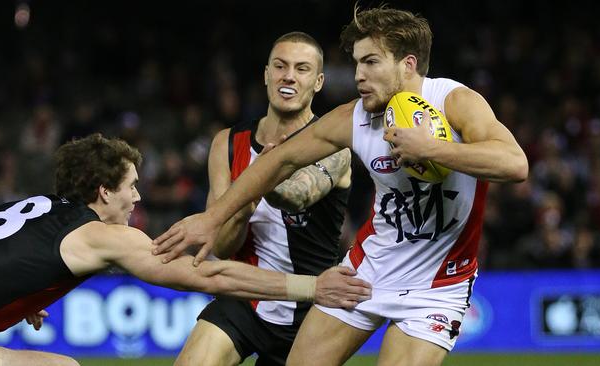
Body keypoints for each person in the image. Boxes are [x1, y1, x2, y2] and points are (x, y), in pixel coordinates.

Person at [153, 6, 529, 366]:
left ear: (407, 64)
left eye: (370, 62)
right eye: (356, 63)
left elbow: (515, 163)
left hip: (437, 287)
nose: (357, 76)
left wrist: (431, 148)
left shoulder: (453, 101)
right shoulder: (356, 117)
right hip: (367, 271)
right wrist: (212, 218)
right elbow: (279, 160)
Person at [0, 133, 370, 366]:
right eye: (130, 186)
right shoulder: (101, 236)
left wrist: (20, 295)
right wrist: (313, 288)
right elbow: (210, 273)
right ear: (103, 192)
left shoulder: (36, 206)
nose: (137, 197)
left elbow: (2, 255)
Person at [174, 32, 353, 366]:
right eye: (280, 66)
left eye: (302, 69)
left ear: (318, 82)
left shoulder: (334, 145)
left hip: (312, 308)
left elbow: (299, 195)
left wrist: (260, 179)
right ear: (266, 74)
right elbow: (223, 246)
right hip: (246, 297)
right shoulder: (227, 143)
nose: (289, 75)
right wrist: (242, 210)